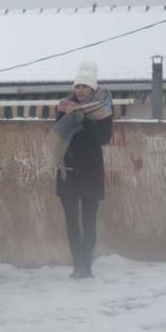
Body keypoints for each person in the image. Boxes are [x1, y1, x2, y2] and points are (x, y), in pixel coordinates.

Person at [45, 61, 113, 278]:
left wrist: (86, 121)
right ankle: (78, 266)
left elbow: (103, 138)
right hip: (69, 170)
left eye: (84, 87)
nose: (80, 90)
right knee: (72, 221)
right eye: (77, 86)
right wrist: (66, 151)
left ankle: (87, 265)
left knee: (89, 220)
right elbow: (59, 135)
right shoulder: (65, 107)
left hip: (91, 170)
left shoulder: (102, 108)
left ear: (93, 88)